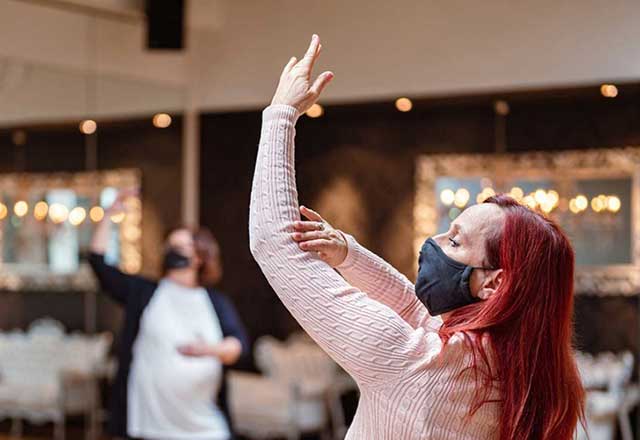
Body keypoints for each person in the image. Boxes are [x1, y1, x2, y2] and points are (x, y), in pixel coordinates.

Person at [249, 34, 585, 439]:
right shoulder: (514, 367)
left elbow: (274, 243)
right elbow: (416, 311)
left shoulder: (417, 365)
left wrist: (281, 114)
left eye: (455, 242)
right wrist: (348, 256)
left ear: (494, 283)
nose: (435, 241)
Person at [89, 190, 249, 440]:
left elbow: (238, 346)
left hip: (204, 428)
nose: (173, 252)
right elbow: (98, 264)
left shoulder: (216, 302)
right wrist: (109, 214)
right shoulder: (143, 293)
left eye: (180, 247)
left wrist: (208, 350)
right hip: (148, 426)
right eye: (170, 246)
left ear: (199, 256)